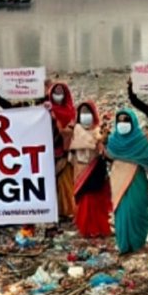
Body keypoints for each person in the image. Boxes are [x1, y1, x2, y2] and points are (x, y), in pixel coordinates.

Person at [106, 108, 148, 254]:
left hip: (136, 179)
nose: (123, 123)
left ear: (133, 122)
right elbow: (108, 155)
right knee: (122, 212)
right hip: (118, 179)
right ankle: (124, 244)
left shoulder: (141, 141)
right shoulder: (113, 141)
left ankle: (138, 242)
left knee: (137, 210)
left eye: (126, 120)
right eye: (120, 121)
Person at [69, 101, 112, 238]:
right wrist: (97, 140)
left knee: (97, 199)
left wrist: (103, 140)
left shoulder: (98, 130)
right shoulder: (76, 130)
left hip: (95, 168)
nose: (85, 115)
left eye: (88, 112)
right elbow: (77, 146)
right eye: (83, 112)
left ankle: (98, 227)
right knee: (85, 199)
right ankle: (87, 228)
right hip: (81, 169)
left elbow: (103, 150)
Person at [47, 81, 76, 221]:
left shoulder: (71, 111)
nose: (58, 95)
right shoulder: (46, 111)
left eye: (61, 92)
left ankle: (65, 211)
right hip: (48, 151)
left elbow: (74, 129)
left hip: (65, 152)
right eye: (55, 92)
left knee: (64, 183)